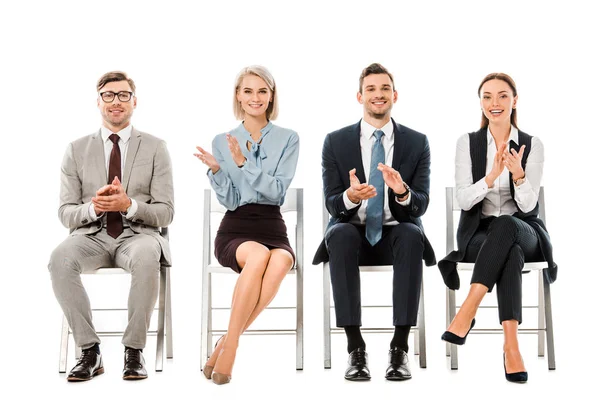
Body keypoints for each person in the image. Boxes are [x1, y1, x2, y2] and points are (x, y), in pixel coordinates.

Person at [312, 63, 436, 381]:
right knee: (339, 235)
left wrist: (402, 191)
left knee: (411, 235)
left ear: (394, 95)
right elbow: (331, 202)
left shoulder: (417, 142)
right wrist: (351, 197)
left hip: (396, 233)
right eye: (371, 89)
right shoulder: (335, 142)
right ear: (359, 96)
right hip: (352, 232)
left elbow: (421, 204)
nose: (378, 95)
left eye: (384, 89)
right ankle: (356, 348)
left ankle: (399, 348)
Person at [48, 71, 174, 381]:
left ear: (134, 101)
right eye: (108, 95)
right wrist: (94, 207)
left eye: (122, 95)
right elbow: (65, 212)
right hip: (91, 236)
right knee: (59, 259)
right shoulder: (76, 150)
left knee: (147, 257)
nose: (115, 101)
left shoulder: (156, 147)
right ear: (98, 101)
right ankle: (89, 351)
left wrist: (128, 205)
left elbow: (166, 212)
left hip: (138, 235)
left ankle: (134, 351)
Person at [438, 72, 557, 383]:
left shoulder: (532, 144)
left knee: (509, 227)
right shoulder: (467, 143)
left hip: (525, 229)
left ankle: (467, 310)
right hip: (479, 235)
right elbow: (465, 201)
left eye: (503, 95)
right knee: (509, 252)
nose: (495, 102)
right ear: (480, 103)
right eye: (487, 96)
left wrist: (518, 175)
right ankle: (512, 347)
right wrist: (491, 176)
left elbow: (529, 207)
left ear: (514, 101)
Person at [194, 65, 299, 385]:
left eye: (262, 91)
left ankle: (225, 341)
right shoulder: (221, 140)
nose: (255, 98)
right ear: (238, 96)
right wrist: (216, 172)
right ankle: (233, 347)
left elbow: (278, 191)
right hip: (236, 228)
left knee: (279, 259)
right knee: (258, 257)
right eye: (248, 91)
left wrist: (243, 163)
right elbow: (230, 200)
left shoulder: (288, 138)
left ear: (271, 96)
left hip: (272, 225)